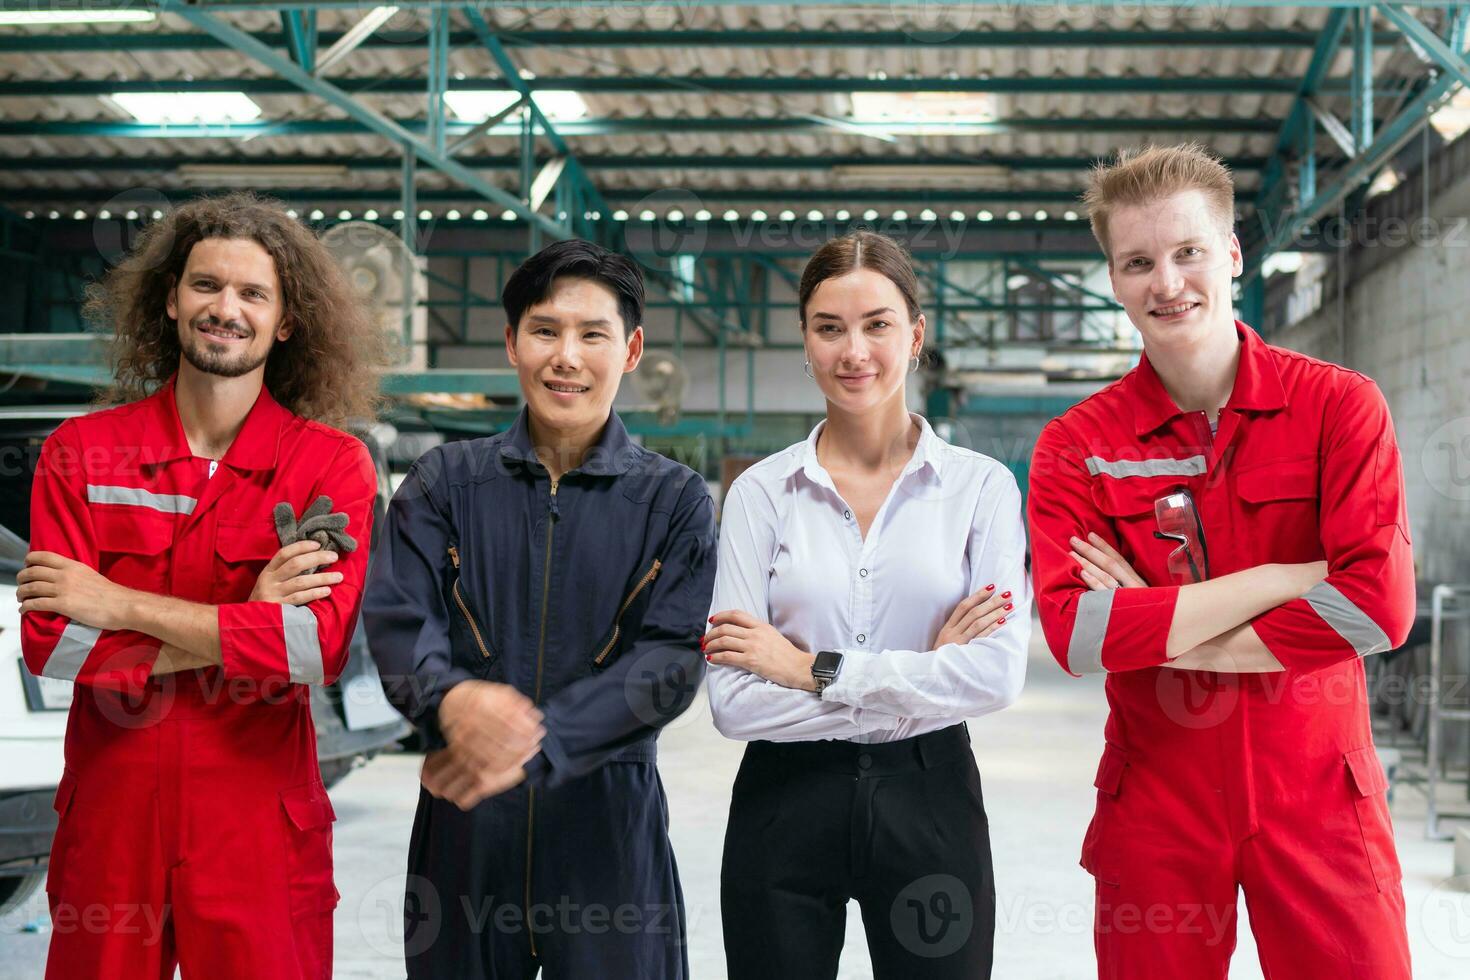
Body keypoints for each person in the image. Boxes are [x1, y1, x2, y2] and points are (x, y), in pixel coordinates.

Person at [1026, 143, 1415, 979]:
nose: (1166, 283)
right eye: (1137, 262)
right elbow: (1079, 635)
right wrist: (1282, 578)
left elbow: (1377, 608)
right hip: (1157, 798)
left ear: (1233, 255)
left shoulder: (1338, 408)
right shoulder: (1078, 446)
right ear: (1114, 278)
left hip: (1319, 791)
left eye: (1188, 252)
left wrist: (1165, 631)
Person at [18, 192, 384, 978]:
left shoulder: (329, 466)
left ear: (286, 320)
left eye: (254, 293)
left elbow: (308, 649)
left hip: (256, 821)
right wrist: (241, 622)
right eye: (207, 285)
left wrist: (115, 604)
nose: (227, 308)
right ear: (172, 300)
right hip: (114, 818)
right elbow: (55, 649)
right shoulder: (81, 455)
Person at [363, 239, 716, 979]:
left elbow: (672, 656)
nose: (567, 356)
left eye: (593, 334)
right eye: (545, 331)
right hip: (465, 826)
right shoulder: (442, 483)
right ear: (512, 343)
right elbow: (399, 616)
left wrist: (542, 743)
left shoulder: (673, 500)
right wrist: (450, 699)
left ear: (631, 350)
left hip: (607, 831)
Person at [705, 231, 1029, 979]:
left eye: (877, 324)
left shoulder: (980, 489)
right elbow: (733, 704)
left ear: (915, 335)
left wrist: (808, 668)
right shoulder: (760, 494)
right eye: (830, 328)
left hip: (931, 796)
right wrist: (923, 675)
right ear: (806, 341)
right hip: (783, 797)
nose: (855, 351)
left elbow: (995, 677)